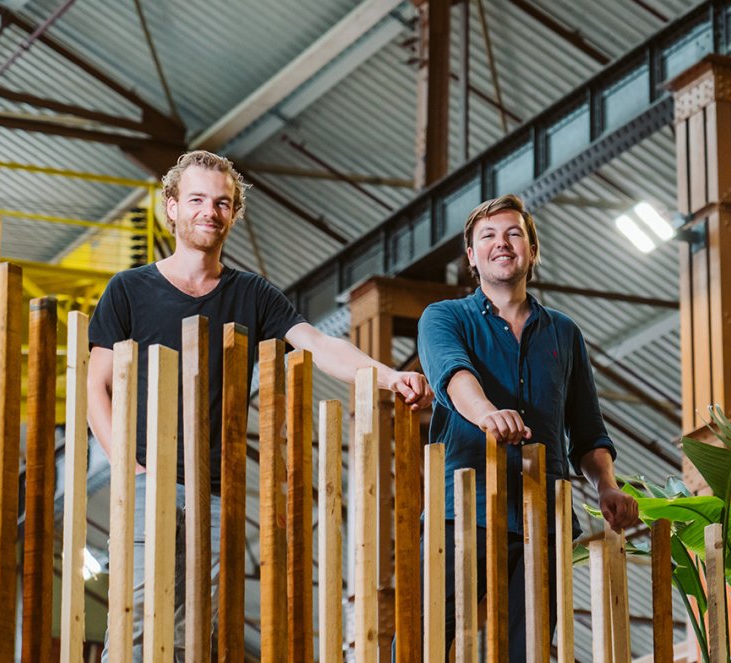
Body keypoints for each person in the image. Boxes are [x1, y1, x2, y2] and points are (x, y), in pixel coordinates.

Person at [87, 150, 432, 661]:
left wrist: (389, 375)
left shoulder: (252, 294)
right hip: (145, 483)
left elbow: (316, 342)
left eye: (223, 203)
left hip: (217, 491)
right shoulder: (129, 290)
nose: (211, 211)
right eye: (198, 200)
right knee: (137, 621)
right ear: (172, 208)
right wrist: (130, 469)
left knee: (192, 637)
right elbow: (97, 389)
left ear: (234, 213)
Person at [415, 193, 640, 659]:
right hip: (464, 506)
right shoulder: (444, 317)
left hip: (543, 512)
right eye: (488, 237)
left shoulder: (563, 331)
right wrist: (486, 415)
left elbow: (587, 427)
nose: (503, 243)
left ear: (532, 251)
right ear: (471, 256)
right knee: (425, 637)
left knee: (530, 647)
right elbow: (454, 376)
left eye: (514, 234)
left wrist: (606, 486)